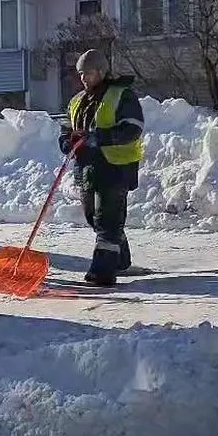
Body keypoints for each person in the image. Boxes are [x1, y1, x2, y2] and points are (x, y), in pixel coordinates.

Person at [58, 48, 145, 287]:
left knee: (107, 219)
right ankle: (120, 259)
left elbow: (133, 128)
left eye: (88, 72)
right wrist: (67, 140)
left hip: (116, 165)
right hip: (87, 166)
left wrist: (98, 137)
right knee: (93, 217)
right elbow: (66, 127)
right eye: (81, 73)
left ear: (101, 71)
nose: (84, 78)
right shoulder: (77, 101)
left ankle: (102, 272)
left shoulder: (122, 95)